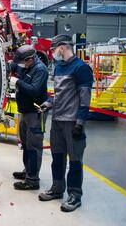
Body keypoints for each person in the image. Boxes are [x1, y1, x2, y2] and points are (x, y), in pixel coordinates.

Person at [38, 34, 93, 212]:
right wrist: (48, 103)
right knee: (57, 158)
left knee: (75, 160)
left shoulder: (81, 68)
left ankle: (75, 195)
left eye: (54, 50)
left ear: (62, 47)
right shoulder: (59, 68)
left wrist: (80, 123)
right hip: (57, 122)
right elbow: (59, 94)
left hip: (72, 122)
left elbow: (85, 100)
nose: (53, 53)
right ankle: (57, 188)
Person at [9, 45, 48, 190]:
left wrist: (17, 82)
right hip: (25, 111)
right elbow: (13, 66)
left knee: (34, 146)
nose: (20, 65)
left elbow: (34, 91)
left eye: (22, 62)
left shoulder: (40, 70)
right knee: (25, 145)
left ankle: (33, 181)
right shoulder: (25, 65)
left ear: (30, 59)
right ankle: (28, 172)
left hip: (35, 113)